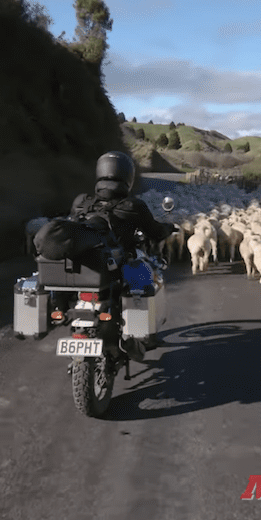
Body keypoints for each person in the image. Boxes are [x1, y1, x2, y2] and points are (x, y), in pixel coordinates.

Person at [55, 151, 176, 363]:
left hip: (80, 269)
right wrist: (167, 228)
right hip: (114, 269)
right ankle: (140, 336)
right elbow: (155, 232)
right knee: (144, 281)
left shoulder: (81, 202)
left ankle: (63, 310)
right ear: (127, 176)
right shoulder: (133, 206)